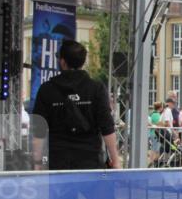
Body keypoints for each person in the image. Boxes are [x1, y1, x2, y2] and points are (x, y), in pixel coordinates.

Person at [31, 40, 120, 170]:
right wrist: (115, 160)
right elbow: (107, 127)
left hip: (58, 161)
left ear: (62, 62)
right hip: (90, 162)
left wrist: (38, 163)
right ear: (83, 62)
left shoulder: (47, 90)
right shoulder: (96, 88)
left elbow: (39, 131)